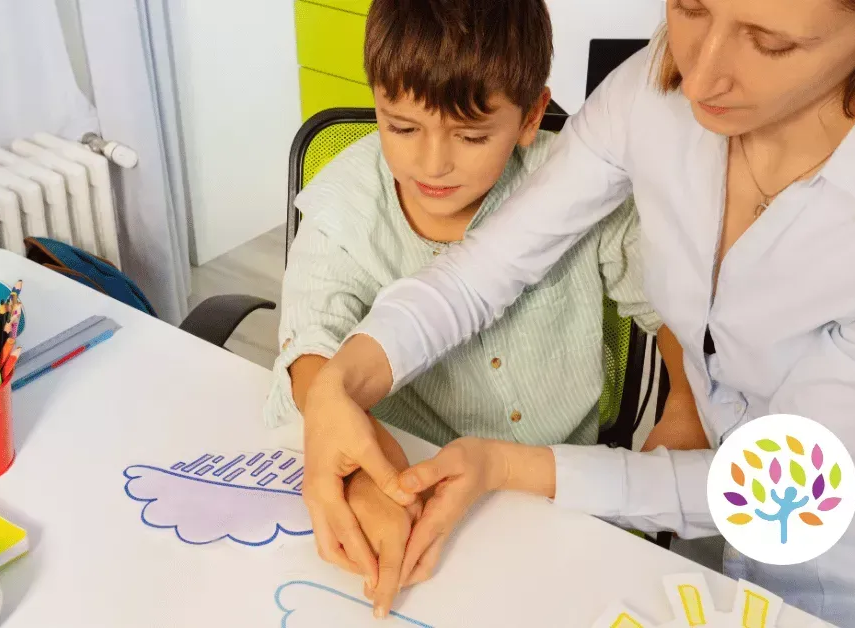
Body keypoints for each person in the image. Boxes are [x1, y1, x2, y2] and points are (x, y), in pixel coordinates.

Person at [300, 0, 855, 625]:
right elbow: (485, 267)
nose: (699, 78)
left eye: (770, 44)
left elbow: (780, 489)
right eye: (690, 9)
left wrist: (512, 466)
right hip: (728, 549)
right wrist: (342, 381)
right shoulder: (652, 91)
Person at [269, 0, 704, 615]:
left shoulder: (572, 182)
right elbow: (309, 342)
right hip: (411, 488)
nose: (433, 163)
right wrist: (352, 445)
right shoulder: (346, 205)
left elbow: (669, 311)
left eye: (472, 136)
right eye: (401, 127)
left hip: (552, 490)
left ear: (530, 117)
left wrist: (685, 405)